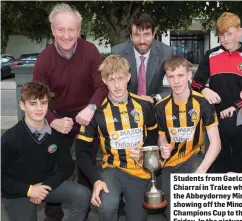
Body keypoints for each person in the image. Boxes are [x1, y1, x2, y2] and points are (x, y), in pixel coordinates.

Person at [33, 3, 108, 220]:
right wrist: (52, 120)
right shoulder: (44, 58)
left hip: (88, 115)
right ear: (52, 30)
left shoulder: (91, 51)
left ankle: (82, 211)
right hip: (57, 116)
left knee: (86, 163)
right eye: (60, 29)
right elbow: (38, 96)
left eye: (71, 30)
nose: (66, 35)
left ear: (79, 30)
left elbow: (101, 86)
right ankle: (53, 214)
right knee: (54, 165)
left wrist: (91, 108)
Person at [75, 55, 158, 221]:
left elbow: (153, 135)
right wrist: (96, 180)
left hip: (139, 172)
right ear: (104, 80)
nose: (117, 85)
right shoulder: (96, 112)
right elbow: (81, 152)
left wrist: (144, 153)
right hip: (112, 170)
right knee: (106, 207)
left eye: (121, 78)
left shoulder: (144, 105)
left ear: (128, 77)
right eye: (111, 80)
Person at [1, 81, 91, 221]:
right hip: (18, 192)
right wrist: (30, 190)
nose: (39, 108)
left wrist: (44, 187)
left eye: (43, 103)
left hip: (45, 186)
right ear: (22, 105)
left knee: (82, 194)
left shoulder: (55, 134)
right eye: (33, 103)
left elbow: (66, 166)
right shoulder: (10, 138)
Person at [155, 55, 221, 221]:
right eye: (171, 76)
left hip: (193, 159)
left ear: (189, 75)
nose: (176, 81)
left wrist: (201, 171)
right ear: (166, 78)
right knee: (172, 213)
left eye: (180, 75)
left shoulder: (203, 103)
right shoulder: (161, 107)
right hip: (170, 163)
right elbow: (161, 137)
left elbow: (216, 143)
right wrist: (163, 146)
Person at [191, 12, 242, 118]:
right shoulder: (210, 55)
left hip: (241, 115)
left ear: (240, 31)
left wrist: (236, 107)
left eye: (229, 34)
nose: (225, 39)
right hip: (214, 117)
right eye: (222, 35)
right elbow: (195, 82)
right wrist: (204, 89)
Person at [111, 12, 173, 104]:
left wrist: (156, 98)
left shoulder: (165, 52)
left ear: (154, 33)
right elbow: (111, 84)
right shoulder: (118, 52)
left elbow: (180, 85)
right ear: (131, 36)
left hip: (154, 106)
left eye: (146, 34)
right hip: (126, 106)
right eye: (136, 35)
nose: (142, 41)